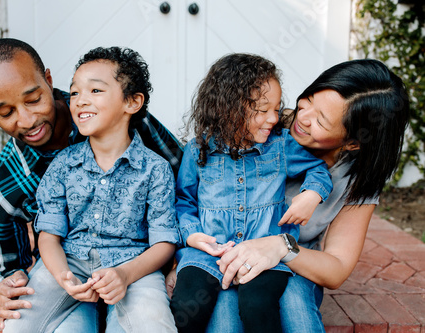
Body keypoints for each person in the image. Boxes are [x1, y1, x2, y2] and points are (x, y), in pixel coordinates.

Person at [165, 58, 410, 332]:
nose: (301, 118)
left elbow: (337, 268)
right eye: (308, 101)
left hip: (293, 263)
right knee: (222, 314)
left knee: (295, 308)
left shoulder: (355, 180)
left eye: (320, 120)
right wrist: (185, 261)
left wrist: (281, 246)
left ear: (353, 142)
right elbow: (189, 200)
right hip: (222, 254)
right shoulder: (267, 123)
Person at [0, 38, 183, 331]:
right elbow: (2, 270)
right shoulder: (3, 186)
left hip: (135, 269)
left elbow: (187, 189)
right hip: (69, 277)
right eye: (5, 112)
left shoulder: (127, 119)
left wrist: (180, 263)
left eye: (33, 100)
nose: (27, 119)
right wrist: (6, 288)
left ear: (48, 80)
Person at [169, 53, 333, 333]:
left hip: (264, 253)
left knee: (257, 305)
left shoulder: (280, 146)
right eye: (261, 110)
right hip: (209, 254)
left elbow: (319, 170)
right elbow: (184, 201)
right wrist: (193, 235)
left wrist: (311, 194)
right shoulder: (198, 150)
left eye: (277, 108)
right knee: (187, 307)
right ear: (227, 109)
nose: (274, 118)